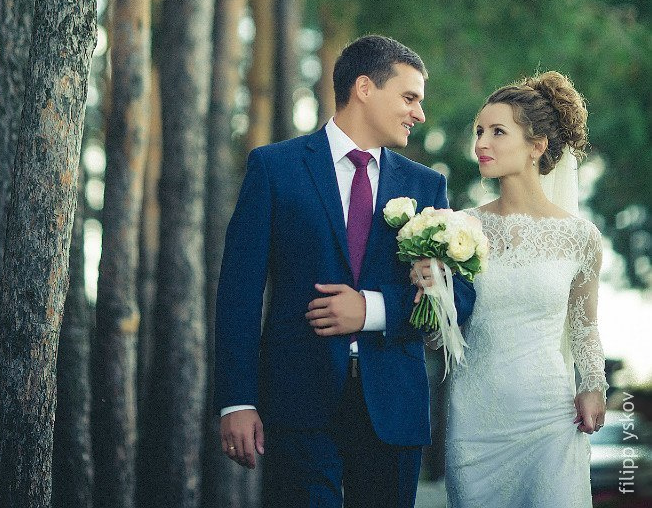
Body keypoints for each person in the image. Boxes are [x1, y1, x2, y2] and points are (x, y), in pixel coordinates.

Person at [214, 34, 476, 508]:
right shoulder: (275, 168)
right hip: (296, 407)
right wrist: (237, 400)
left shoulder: (427, 186)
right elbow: (239, 293)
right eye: (409, 97)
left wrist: (371, 310)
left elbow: (456, 301)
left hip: (393, 410)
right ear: (364, 88)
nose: (419, 113)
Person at [412, 71, 607, 508]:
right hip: (474, 422)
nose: (481, 143)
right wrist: (431, 297)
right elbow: (436, 338)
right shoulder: (455, 229)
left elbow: (584, 326)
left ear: (537, 146)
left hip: (550, 418)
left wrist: (593, 383)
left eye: (498, 132)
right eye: (479, 131)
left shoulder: (582, 237)